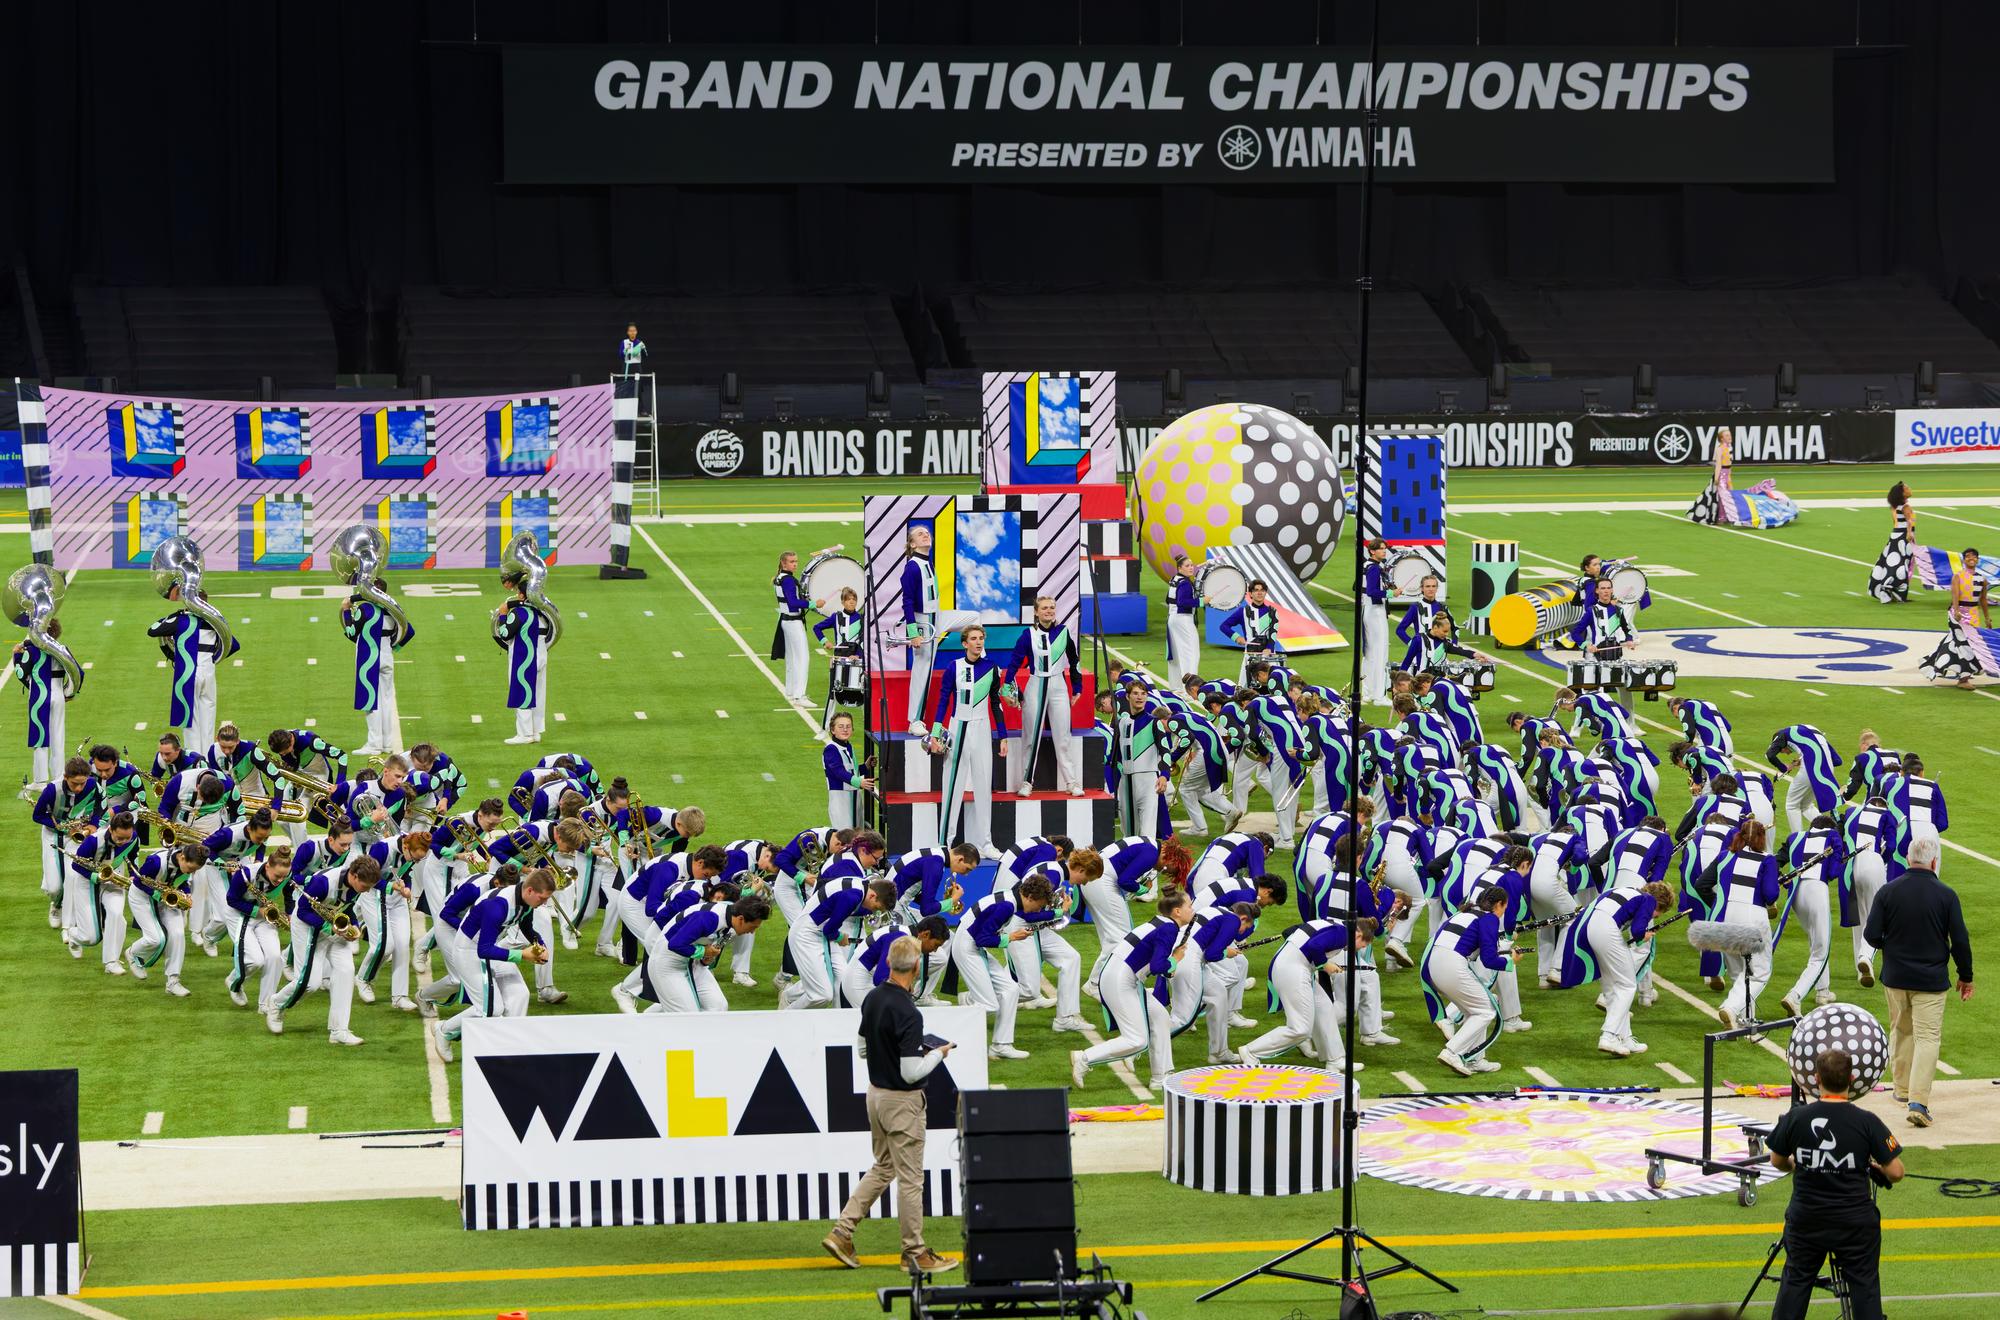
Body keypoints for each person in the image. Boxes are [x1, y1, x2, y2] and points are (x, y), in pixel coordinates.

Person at [822, 935, 958, 1276]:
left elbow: (863, 1050)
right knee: (910, 1180)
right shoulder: (909, 1012)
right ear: (916, 966)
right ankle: (914, 1252)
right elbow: (911, 1072)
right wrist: (938, 1055)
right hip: (903, 1101)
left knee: (883, 1166)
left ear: (887, 963)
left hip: (876, 1096)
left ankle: (842, 1231)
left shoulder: (872, 999)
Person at [1765, 1047, 1904, 1320]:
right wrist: (1873, 1168)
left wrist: (1798, 1165)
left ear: (1817, 1079)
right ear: (1851, 1079)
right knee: (1864, 1287)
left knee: (1795, 1283)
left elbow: (1777, 1160)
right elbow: (1896, 1171)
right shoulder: (1867, 1121)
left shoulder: (1796, 1117)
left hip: (1807, 1220)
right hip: (1854, 1223)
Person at [1862, 835, 1973, 1127]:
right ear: (1934, 862)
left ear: (1909, 858)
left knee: (1900, 1030)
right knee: (1927, 1039)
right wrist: (1966, 976)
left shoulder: (1888, 892)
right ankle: (1918, 1101)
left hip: (1896, 977)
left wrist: (1893, 945)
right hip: (1931, 980)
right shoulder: (1946, 895)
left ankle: (1900, 1090)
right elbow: (1960, 941)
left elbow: (1872, 935)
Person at [924, 624, 1010, 857]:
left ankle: (986, 843)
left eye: (981, 638)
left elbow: (996, 703)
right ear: (964, 643)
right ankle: (945, 843)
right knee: (952, 787)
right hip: (957, 727)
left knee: (984, 787)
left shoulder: (992, 669)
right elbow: (943, 701)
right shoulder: (954, 667)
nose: (978, 642)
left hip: (983, 729)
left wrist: (1002, 736)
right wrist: (935, 733)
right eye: (973, 638)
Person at [899, 524, 982, 735]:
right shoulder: (912, 567)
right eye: (920, 534)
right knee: (922, 670)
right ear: (912, 544)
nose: (926, 535)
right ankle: (914, 721)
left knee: (974, 617)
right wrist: (913, 633)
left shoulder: (928, 563)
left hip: (939, 617)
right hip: (923, 622)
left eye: (927, 533)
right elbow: (907, 601)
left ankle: (980, 658)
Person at [1004, 595, 1084, 797]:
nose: (1049, 611)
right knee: (1030, 737)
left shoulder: (1064, 633)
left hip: (1058, 686)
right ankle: (1026, 782)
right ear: (1036, 612)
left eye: (1052, 607)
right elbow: (1013, 663)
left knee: (1063, 737)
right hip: (1035, 684)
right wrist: (1007, 688)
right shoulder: (1027, 635)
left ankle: (1072, 782)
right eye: (1045, 608)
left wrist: (1077, 687)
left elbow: (1074, 661)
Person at [341, 580, 411, 756]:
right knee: (386, 700)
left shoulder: (366, 609)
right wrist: (393, 647)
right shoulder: (393, 608)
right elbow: (409, 631)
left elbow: (351, 633)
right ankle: (387, 744)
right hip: (387, 656)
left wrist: (346, 611)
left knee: (370, 702)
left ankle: (374, 744)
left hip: (368, 659)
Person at [1917, 546, 1990, 690]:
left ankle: (1932, 665)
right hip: (1958, 614)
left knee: (1956, 643)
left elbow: (1983, 600)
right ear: (1964, 559)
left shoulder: (1982, 579)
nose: (1971, 558)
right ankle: (1963, 679)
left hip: (1974, 614)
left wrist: (1987, 618)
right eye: (1968, 556)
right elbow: (1955, 595)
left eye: (1974, 556)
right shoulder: (1958, 576)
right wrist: (1956, 611)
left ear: (1978, 560)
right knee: (1964, 643)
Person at [494, 566, 551, 747]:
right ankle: (535, 731)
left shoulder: (519, 614)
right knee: (538, 694)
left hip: (524, 657)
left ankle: (525, 734)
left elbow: (505, 634)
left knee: (522, 693)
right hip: (541, 655)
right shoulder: (542, 612)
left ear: (522, 595)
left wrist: (503, 616)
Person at [12, 617, 70, 793]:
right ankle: (59, 777)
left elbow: (21, 672)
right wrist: (68, 692)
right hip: (59, 695)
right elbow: (77, 673)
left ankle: (40, 780)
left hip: (39, 697)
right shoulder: (62, 649)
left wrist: (16, 655)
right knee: (58, 736)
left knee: (40, 737)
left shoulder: (33, 651)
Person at [813, 585, 864, 734]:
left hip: (856, 659)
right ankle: (824, 729)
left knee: (863, 694)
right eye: (848, 600)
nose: (851, 602)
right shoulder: (836, 617)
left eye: (854, 600)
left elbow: (863, 640)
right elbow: (816, 628)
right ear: (842, 602)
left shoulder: (861, 618)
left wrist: (859, 656)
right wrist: (825, 642)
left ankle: (870, 726)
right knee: (833, 694)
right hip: (839, 658)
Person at [1217, 578, 1280, 683]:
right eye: (1256, 590)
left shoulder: (1272, 612)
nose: (1259, 592)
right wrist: (1236, 637)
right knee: (1246, 689)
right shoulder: (1243, 611)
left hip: (1269, 655)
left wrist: (1269, 648)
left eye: (1262, 590)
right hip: (1250, 656)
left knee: (1273, 686)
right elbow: (1224, 626)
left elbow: (1273, 633)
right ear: (1250, 594)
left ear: (1265, 593)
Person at [771, 551, 812, 705]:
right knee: (803, 658)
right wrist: (812, 604)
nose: (795, 564)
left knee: (792, 658)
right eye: (792, 561)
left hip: (785, 621)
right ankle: (799, 695)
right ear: (784, 563)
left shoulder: (779, 578)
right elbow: (793, 602)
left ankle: (790, 690)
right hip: (793, 622)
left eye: (796, 561)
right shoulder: (787, 580)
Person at [1868, 481, 1916, 604]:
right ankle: (1891, 589)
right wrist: (1909, 533)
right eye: (1907, 488)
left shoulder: (1896, 506)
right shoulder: (1906, 507)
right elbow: (1910, 521)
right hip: (1903, 537)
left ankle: (1890, 591)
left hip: (1896, 534)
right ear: (1902, 494)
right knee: (1901, 564)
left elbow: (1896, 521)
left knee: (1892, 562)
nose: (1910, 489)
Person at [1359, 540, 1391, 705]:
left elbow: (1358, 587)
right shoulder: (1374, 568)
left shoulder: (1366, 565)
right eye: (1381, 549)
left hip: (1368, 610)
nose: (1384, 551)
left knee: (1370, 653)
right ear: (1372, 551)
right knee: (1380, 653)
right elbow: (1373, 592)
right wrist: (1391, 593)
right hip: (1376, 611)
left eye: (1385, 548)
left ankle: (1367, 692)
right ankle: (1379, 695)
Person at [1686, 424, 1734, 525]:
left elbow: (1730, 464)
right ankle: (1720, 517)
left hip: (1727, 476)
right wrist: (1717, 478)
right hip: (1720, 475)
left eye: (1730, 435)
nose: (1729, 437)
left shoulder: (1730, 448)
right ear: (1721, 438)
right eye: (1727, 436)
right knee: (1721, 496)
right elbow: (1719, 465)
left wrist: (1729, 477)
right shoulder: (1719, 449)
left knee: (1729, 496)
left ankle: (1728, 515)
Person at [1165, 552, 1201, 685]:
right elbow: (1182, 602)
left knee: (1176, 653)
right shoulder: (1185, 583)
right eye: (1187, 566)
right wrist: (1202, 601)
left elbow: (1168, 599)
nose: (1191, 568)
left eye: (1192, 565)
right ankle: (1191, 686)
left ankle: (1177, 687)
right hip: (1183, 619)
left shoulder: (1175, 579)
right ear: (1180, 568)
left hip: (1173, 618)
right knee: (1191, 653)